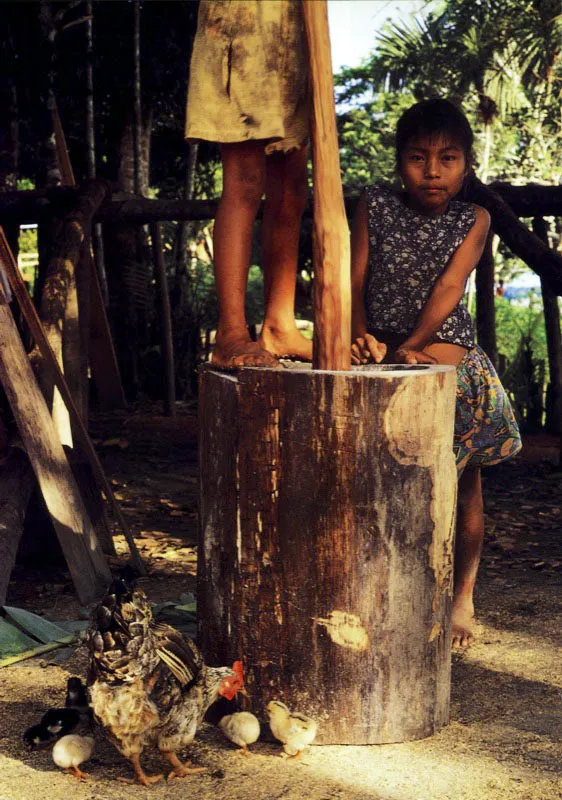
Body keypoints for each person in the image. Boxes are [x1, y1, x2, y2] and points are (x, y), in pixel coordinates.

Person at [350, 98, 522, 648]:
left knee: (462, 485)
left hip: (446, 348)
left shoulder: (474, 218)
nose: (432, 171)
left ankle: (462, 599)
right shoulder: (373, 205)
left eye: (447, 158)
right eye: (418, 158)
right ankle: (381, 594)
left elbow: (450, 288)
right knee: (374, 483)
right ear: (398, 163)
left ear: (466, 165)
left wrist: (415, 345)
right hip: (382, 351)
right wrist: (359, 335)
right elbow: (352, 280)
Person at [186, 0, 312, 368]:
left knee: (291, 184)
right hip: (245, 18)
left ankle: (279, 324)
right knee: (245, 179)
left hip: (296, 24)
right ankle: (231, 333)